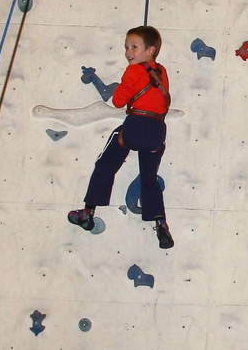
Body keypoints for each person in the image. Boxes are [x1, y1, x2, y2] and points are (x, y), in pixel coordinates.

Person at [68, 26, 174, 249]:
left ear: (150, 50)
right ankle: (161, 223)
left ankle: (87, 212)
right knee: (149, 178)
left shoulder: (133, 71)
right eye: (126, 47)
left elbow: (117, 101)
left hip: (135, 127)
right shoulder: (162, 72)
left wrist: (125, 85)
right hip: (156, 131)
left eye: (134, 47)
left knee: (105, 164)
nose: (128, 52)